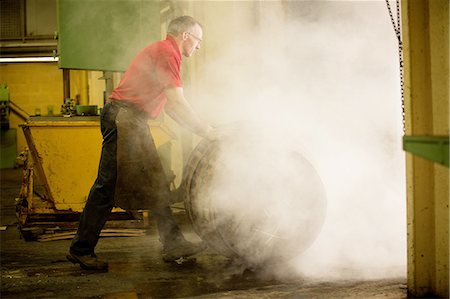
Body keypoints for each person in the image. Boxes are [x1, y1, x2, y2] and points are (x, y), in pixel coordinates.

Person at [67, 16, 215, 271]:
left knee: (155, 183)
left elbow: (171, 108)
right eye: (198, 40)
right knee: (107, 185)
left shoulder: (164, 51)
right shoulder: (169, 52)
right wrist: (206, 130)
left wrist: (203, 132)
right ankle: (81, 249)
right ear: (185, 36)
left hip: (132, 120)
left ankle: (173, 243)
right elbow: (177, 102)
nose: (199, 46)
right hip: (125, 118)